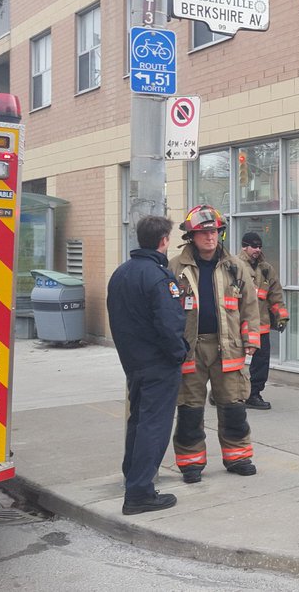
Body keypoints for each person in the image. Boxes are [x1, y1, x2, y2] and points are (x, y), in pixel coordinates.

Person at [170, 205, 261, 483]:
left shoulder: (236, 267)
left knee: (233, 405)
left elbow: (250, 307)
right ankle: (191, 462)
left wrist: (251, 341)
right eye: (203, 233)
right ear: (191, 236)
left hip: (229, 347)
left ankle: (238, 457)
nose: (210, 238)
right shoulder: (176, 267)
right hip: (191, 349)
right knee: (189, 408)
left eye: (214, 232)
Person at [107, 215, 190, 515]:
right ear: (164, 241)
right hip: (158, 364)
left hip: (134, 362)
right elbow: (170, 323)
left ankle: (133, 478)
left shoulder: (121, 273)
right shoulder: (159, 276)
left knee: (138, 422)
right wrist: (179, 353)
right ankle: (140, 492)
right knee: (154, 426)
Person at [238, 232, 289, 410]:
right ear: (244, 246)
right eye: (254, 246)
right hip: (238, 324)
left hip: (261, 325)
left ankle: (253, 394)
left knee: (261, 363)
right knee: (232, 362)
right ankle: (224, 393)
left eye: (259, 246)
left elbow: (275, 296)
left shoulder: (266, 269)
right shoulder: (234, 266)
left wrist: (282, 316)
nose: (257, 250)